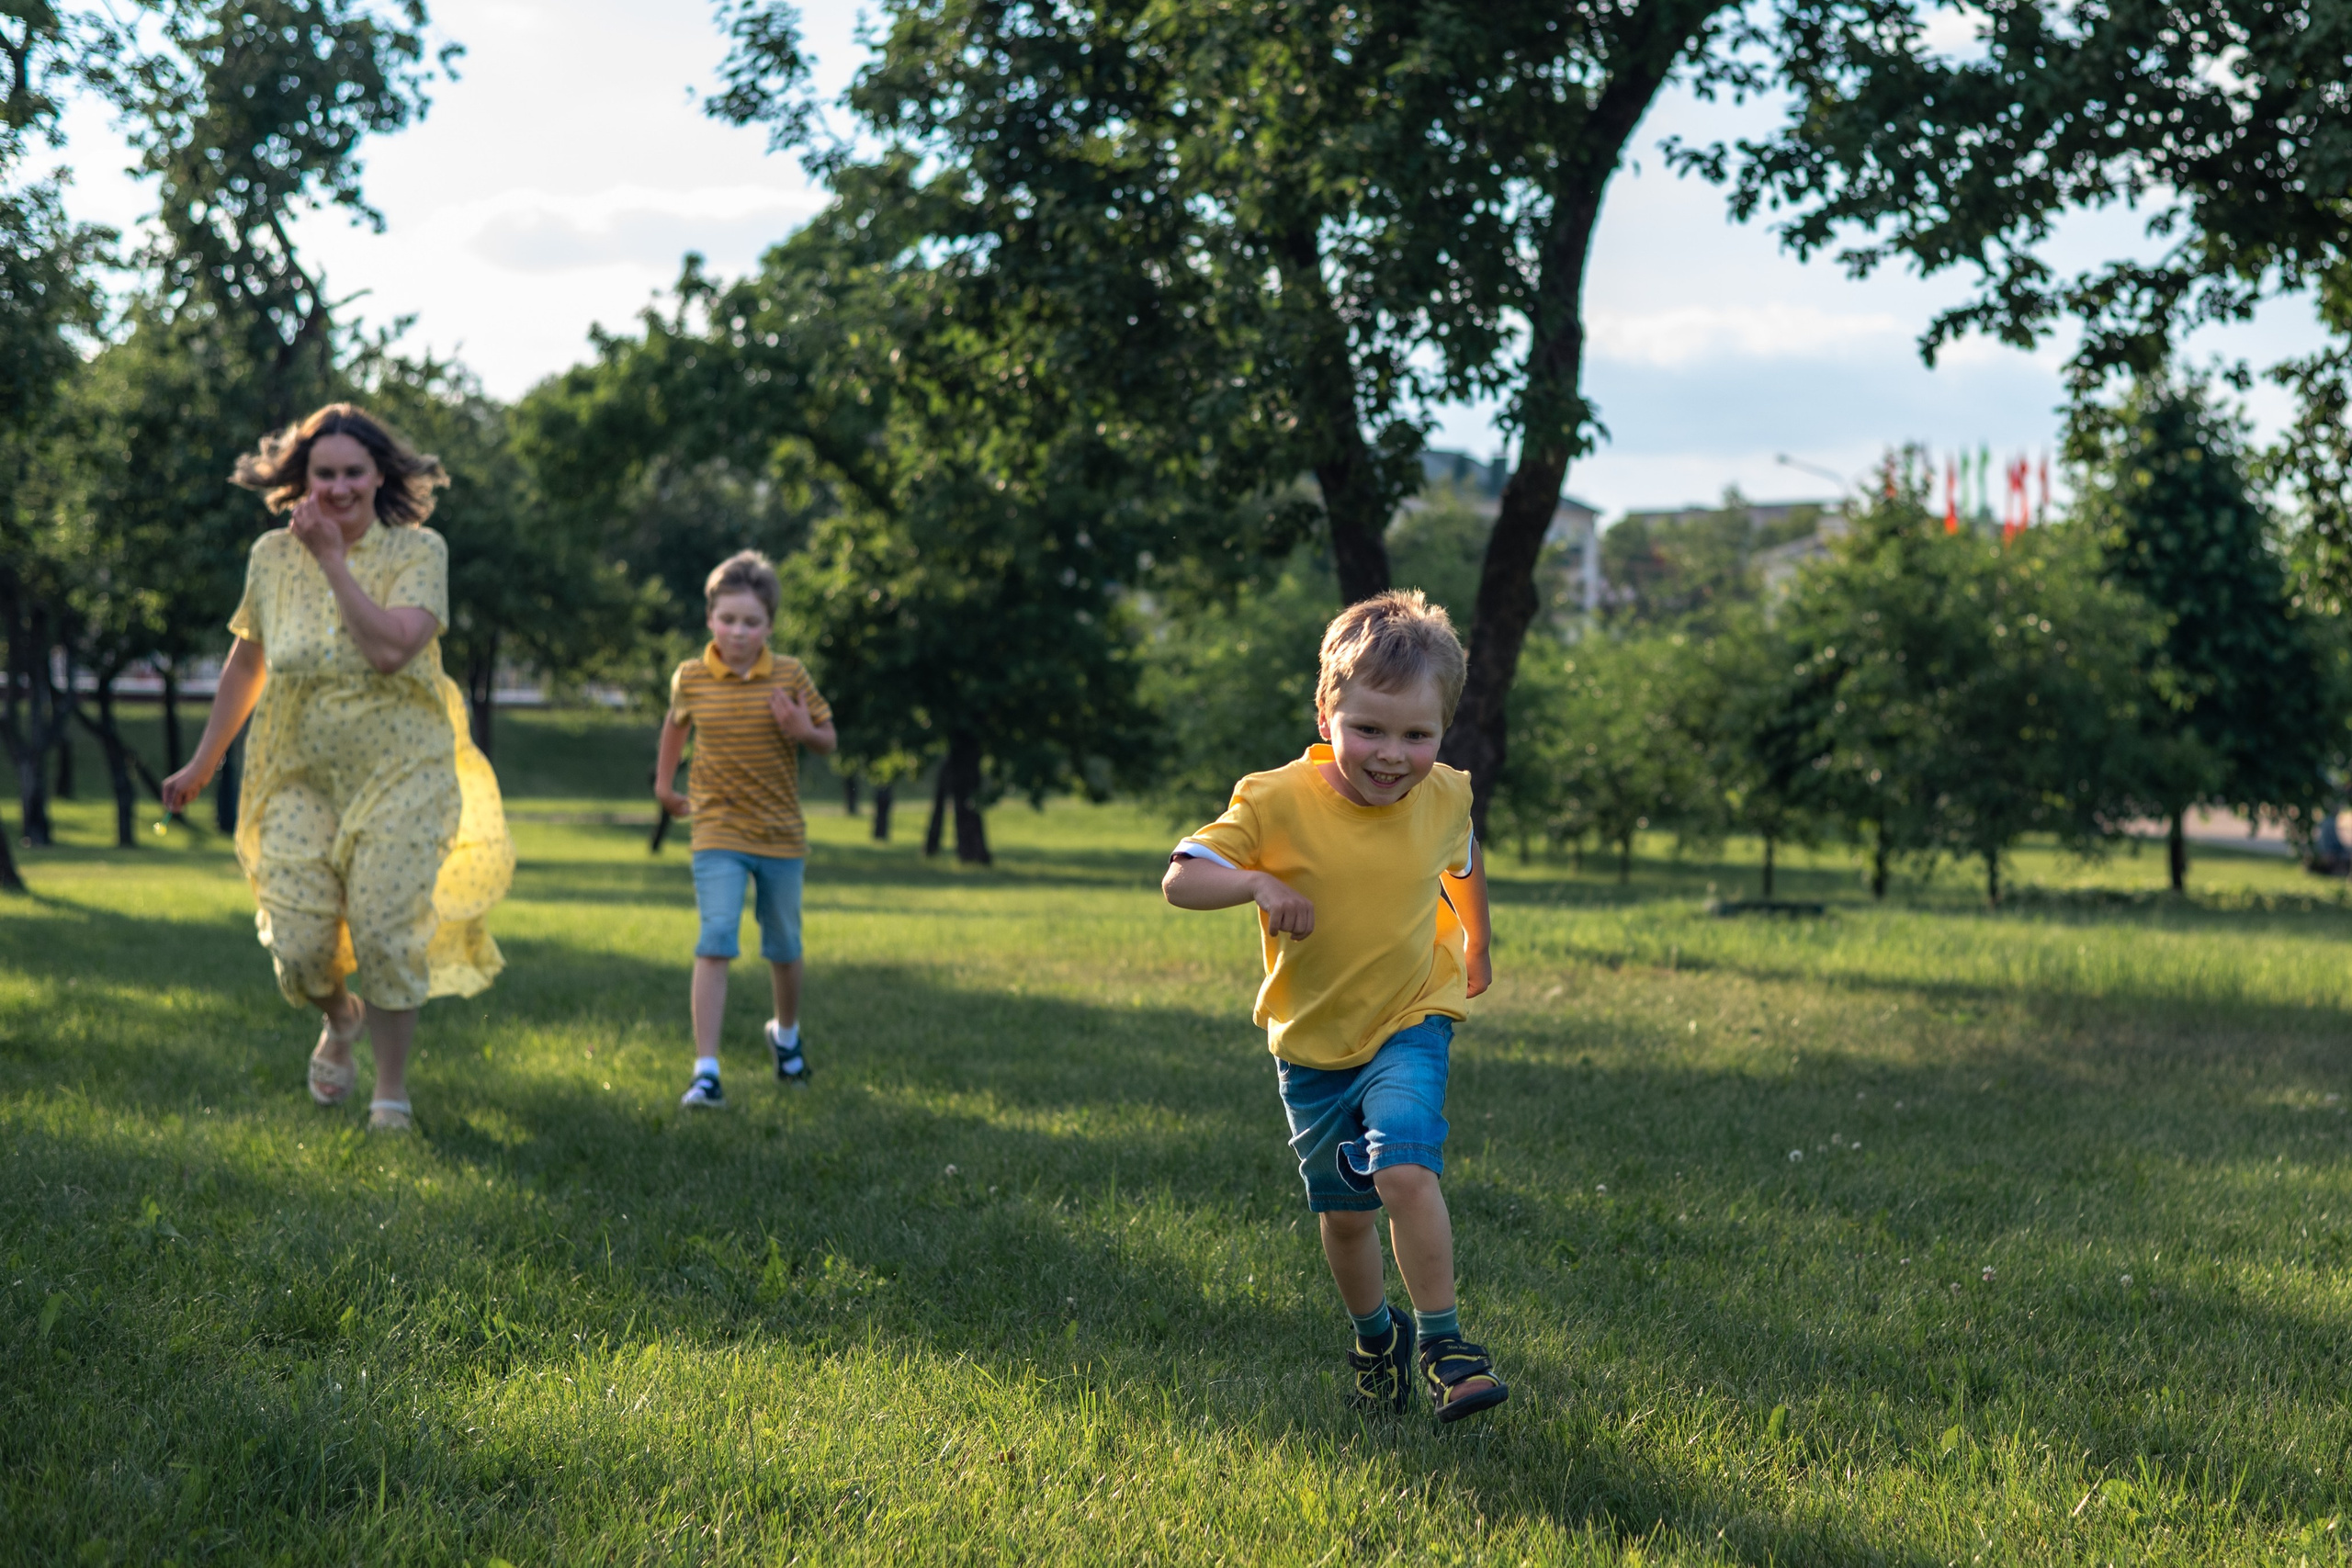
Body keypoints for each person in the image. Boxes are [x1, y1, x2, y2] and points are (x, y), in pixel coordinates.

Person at [1161, 590, 1508, 1423]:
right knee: (1346, 1219)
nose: (1392, 755)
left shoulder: (1446, 795)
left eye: (1416, 735)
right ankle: (1372, 1335)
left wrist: (1479, 941)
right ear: (1328, 713)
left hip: (1410, 1016)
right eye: (1370, 729)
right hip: (1313, 1045)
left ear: (1443, 732)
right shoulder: (1275, 799)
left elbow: (1460, 860)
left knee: (1403, 1166)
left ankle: (1446, 1344)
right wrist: (1253, 879)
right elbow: (1181, 878)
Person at [163, 404, 512, 1133]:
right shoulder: (269, 557)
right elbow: (249, 659)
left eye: (354, 472)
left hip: (403, 774)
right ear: (303, 480)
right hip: (298, 774)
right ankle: (339, 1015)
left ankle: (391, 1093)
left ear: (380, 475)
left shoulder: (419, 551)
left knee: (386, 930)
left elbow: (391, 649)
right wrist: (204, 758)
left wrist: (331, 559)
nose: (340, 487)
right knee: (297, 947)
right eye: (325, 473)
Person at [654, 550, 836, 1109]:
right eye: (728, 619)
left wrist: (803, 728)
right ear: (710, 618)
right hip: (716, 828)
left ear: (770, 626)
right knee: (715, 940)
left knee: (784, 945)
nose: (739, 632)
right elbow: (674, 727)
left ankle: (786, 1035)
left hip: (780, 833)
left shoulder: (790, 675)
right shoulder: (690, 676)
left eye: (751, 622)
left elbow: (828, 739)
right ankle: (706, 1071)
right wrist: (665, 785)